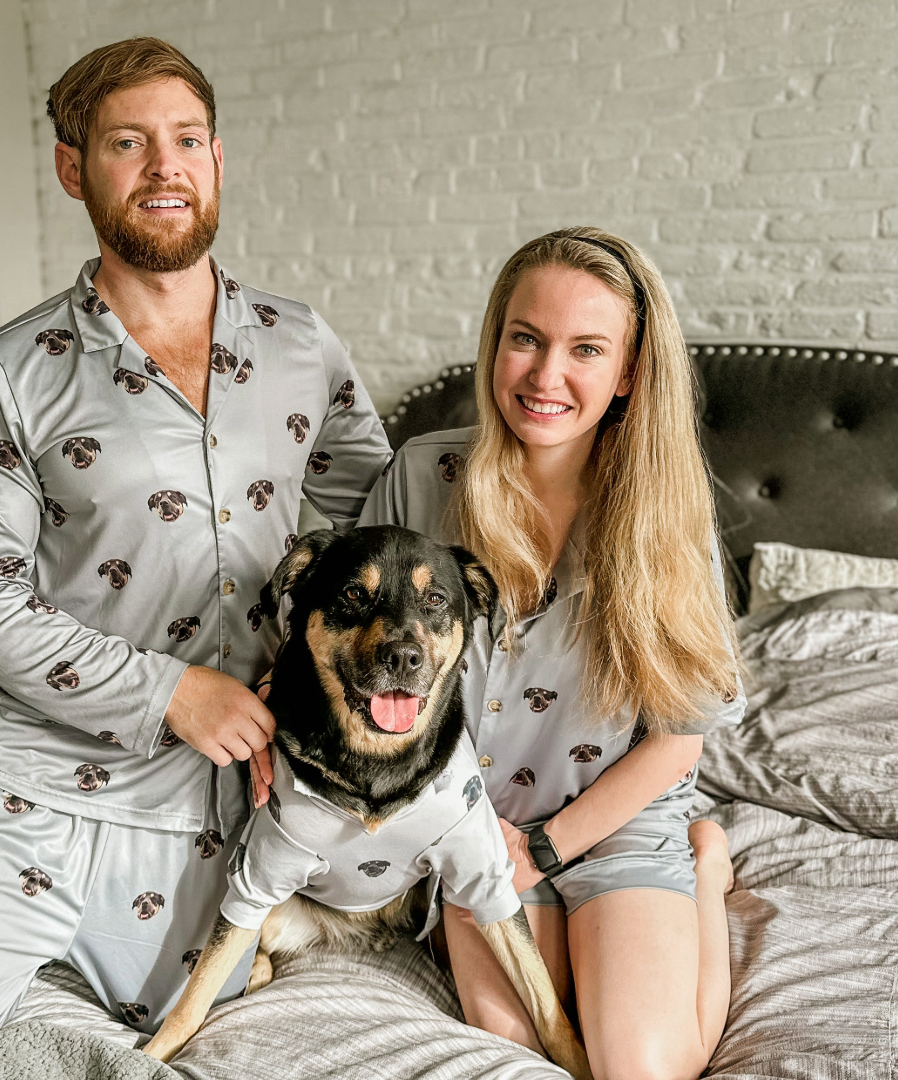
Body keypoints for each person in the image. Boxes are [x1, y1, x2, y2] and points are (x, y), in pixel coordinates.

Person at [0, 36, 390, 1079]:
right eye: (128, 144)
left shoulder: (302, 343)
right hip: (38, 770)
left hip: (229, 785)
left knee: (180, 1025)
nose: (164, 167)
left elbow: (379, 518)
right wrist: (171, 689)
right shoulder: (6, 371)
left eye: (186, 141)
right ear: (73, 166)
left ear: (218, 158)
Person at [360, 227, 746, 1080]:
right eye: (525, 338)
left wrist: (549, 846)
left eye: (586, 349)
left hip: (615, 815)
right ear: (495, 340)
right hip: (475, 825)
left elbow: (681, 736)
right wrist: (463, 831)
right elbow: (367, 676)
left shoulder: (665, 514)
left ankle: (706, 873)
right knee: (518, 1054)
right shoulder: (422, 482)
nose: (544, 376)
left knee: (639, 1069)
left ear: (628, 375)